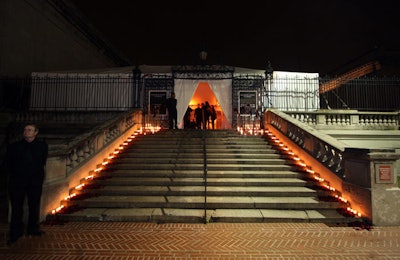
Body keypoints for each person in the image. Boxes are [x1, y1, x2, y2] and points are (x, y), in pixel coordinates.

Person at [6, 123, 48, 245]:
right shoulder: (15, 146)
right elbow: (9, 163)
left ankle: (33, 228)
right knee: (16, 207)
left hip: (34, 181)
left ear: (36, 132)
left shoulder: (41, 146)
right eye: (25, 130)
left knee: (33, 205)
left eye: (30, 130)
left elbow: (41, 162)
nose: (27, 132)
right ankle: (15, 231)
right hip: (17, 181)